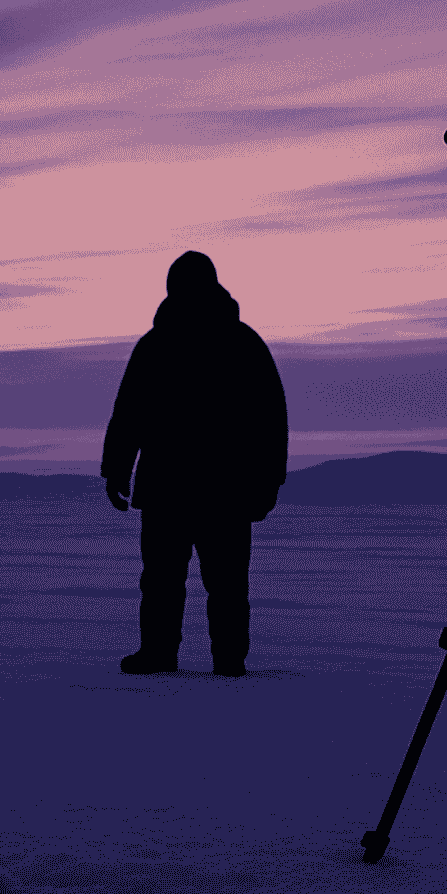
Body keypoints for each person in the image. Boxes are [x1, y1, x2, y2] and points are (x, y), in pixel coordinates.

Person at [101, 251, 287, 677]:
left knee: (214, 582)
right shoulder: (171, 345)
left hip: (213, 487)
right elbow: (130, 412)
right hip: (190, 487)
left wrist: (268, 481)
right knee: (179, 580)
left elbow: (269, 419)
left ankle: (219, 657)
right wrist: (115, 469)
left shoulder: (236, 344)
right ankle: (175, 653)